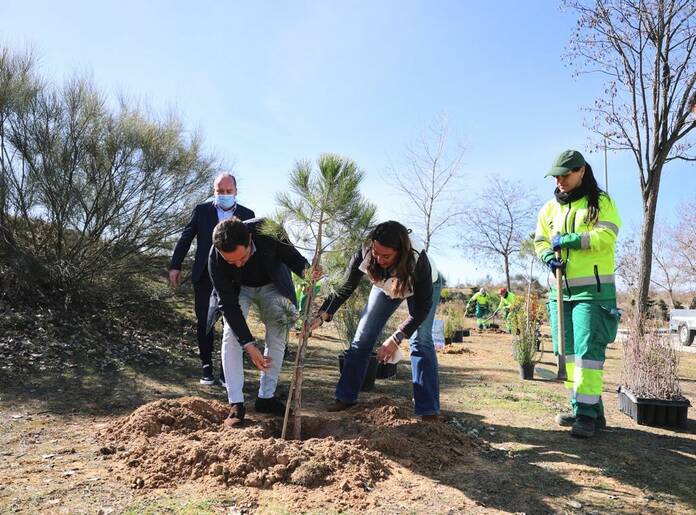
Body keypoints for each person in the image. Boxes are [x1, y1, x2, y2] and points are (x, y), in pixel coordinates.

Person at [306, 221, 443, 421]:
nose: (379, 259)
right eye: (376, 253)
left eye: (386, 256)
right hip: (385, 287)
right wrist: (323, 314)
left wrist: (395, 338)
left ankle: (428, 410)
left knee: (420, 341)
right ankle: (345, 398)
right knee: (362, 338)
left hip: (421, 287)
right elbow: (346, 286)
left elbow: (422, 308)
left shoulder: (417, 261)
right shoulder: (365, 250)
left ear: (400, 252)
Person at [534, 149, 621, 439]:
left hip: (593, 292)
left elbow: (606, 235)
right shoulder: (549, 209)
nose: (559, 181)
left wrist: (570, 240)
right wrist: (548, 257)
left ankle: (586, 415)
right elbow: (540, 241)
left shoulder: (601, 202)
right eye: (556, 176)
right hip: (560, 292)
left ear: (581, 171)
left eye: (565, 175)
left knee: (587, 354)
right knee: (569, 354)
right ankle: (586, 408)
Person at [208, 217, 321, 427]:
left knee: (277, 334)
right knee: (231, 336)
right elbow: (228, 306)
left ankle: (266, 397)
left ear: (250, 239)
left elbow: (293, 258)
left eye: (242, 258)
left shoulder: (268, 231)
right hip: (238, 289)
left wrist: (308, 273)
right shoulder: (215, 256)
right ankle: (236, 403)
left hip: (272, 284)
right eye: (231, 262)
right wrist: (249, 345)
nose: (238, 264)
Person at [169, 173, 255, 386]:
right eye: (220, 191)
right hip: (205, 275)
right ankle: (206, 367)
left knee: (232, 323)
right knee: (204, 321)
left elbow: (253, 247)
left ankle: (227, 371)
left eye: (228, 191)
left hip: (235, 276)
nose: (224, 195)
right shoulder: (202, 211)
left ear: (236, 191)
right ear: (214, 191)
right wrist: (175, 265)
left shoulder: (247, 214)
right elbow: (186, 238)